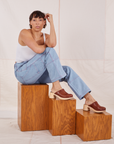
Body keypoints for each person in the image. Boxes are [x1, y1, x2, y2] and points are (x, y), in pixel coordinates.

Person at [14, 10, 106, 113]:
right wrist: (47, 46)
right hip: (23, 73)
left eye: (40, 20)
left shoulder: (46, 37)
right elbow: (38, 50)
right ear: (30, 22)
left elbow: (52, 43)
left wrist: (52, 22)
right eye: (34, 20)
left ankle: (89, 99)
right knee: (48, 51)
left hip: (38, 75)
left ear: (44, 22)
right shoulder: (24, 33)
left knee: (67, 70)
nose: (37, 23)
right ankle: (56, 87)